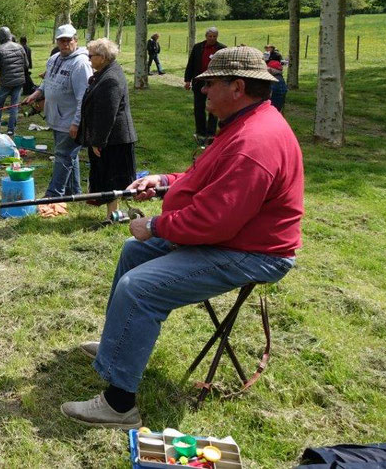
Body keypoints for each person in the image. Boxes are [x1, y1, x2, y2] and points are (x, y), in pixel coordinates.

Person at [60, 46, 303, 428]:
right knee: (132, 252)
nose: (202, 90)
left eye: (210, 84)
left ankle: (119, 405)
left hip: (254, 251)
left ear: (237, 87)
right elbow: (202, 179)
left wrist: (155, 226)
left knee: (138, 287)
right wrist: (163, 183)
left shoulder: (255, 141)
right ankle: (115, 349)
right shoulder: (243, 123)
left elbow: (216, 222)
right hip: (231, 237)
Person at [22, 24, 93, 216]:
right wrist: (36, 94)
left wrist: (76, 123)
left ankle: (54, 195)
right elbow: (47, 82)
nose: (65, 44)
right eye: (61, 40)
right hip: (55, 118)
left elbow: (83, 98)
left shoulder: (81, 64)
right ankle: (74, 193)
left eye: (68, 40)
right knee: (69, 156)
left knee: (63, 155)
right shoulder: (54, 58)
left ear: (76, 40)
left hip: (70, 120)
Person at [78, 38, 137, 222]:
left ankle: (114, 216)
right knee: (108, 177)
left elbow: (107, 114)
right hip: (111, 137)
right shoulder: (105, 73)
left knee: (113, 178)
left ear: (102, 57)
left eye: (91, 56)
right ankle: (114, 214)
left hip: (115, 139)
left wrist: (98, 141)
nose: (89, 59)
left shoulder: (110, 78)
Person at [184, 27, 226, 143]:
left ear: (217, 37)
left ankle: (211, 132)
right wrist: (187, 80)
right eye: (210, 36)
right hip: (199, 81)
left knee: (214, 107)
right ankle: (200, 132)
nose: (212, 38)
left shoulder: (222, 49)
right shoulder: (198, 47)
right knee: (199, 107)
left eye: (214, 36)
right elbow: (191, 64)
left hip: (214, 82)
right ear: (206, 36)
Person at [0, 26, 27, 135]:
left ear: (0, 37)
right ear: (10, 35)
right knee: (14, 106)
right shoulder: (20, 47)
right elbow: (26, 65)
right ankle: (11, 130)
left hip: (5, 83)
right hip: (19, 82)